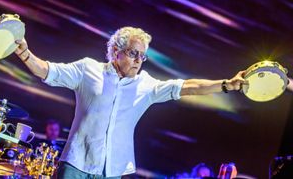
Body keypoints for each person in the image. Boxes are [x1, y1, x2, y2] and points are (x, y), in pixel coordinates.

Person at [14, 27, 247, 179]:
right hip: (76, 164)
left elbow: (187, 86)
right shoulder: (88, 69)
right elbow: (47, 70)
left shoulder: (146, 85)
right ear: (116, 51)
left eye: (142, 56)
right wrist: (25, 53)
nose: (139, 61)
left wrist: (226, 84)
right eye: (133, 53)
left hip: (113, 170)